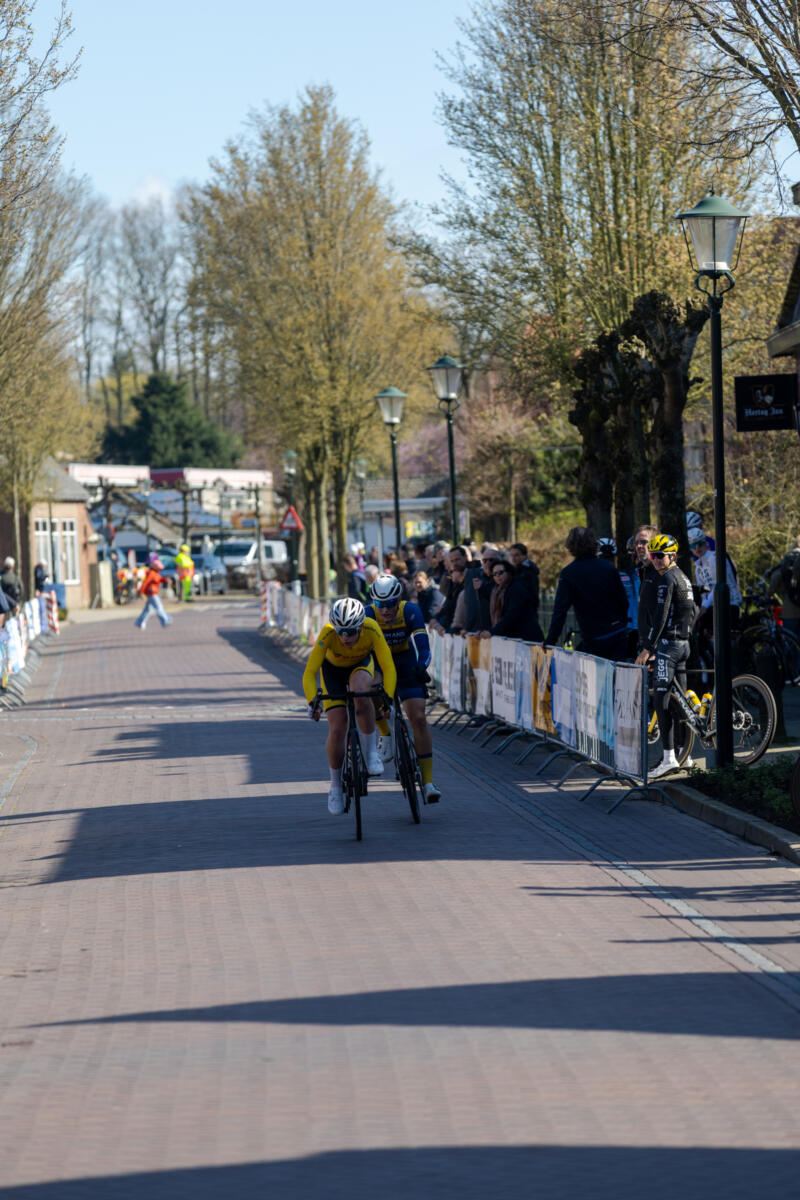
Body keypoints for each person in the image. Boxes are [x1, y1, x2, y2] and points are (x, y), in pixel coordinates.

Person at [302, 596, 397, 814]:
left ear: (361, 625)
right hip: (332, 672)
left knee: (362, 693)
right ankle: (335, 786)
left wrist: (388, 699)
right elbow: (310, 672)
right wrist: (311, 701)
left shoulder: (371, 628)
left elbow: (389, 667)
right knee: (337, 727)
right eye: (340, 631)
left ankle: (371, 753)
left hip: (360, 666)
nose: (345, 637)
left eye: (351, 632)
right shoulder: (327, 633)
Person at [365, 574, 441, 803]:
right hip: (378, 663)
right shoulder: (367, 614)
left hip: (405, 662)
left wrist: (422, 665)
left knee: (418, 717)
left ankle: (427, 782)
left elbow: (423, 646)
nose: (385, 610)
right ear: (373, 602)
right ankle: (385, 733)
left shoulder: (410, 611)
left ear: (398, 600)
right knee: (368, 690)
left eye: (390, 604)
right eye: (380, 604)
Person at [635, 533, 697, 779]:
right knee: (680, 701)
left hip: (668, 647)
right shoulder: (684, 577)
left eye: (660, 556)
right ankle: (686, 754)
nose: (656, 560)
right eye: (653, 556)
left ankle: (670, 757)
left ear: (672, 556)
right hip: (684, 644)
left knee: (662, 701)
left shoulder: (666, 579)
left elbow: (660, 616)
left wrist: (648, 647)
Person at [544, 527, 629, 660]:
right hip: (617, 634)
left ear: (570, 546)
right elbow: (623, 601)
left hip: (593, 638)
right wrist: (621, 623)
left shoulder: (569, 573)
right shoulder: (609, 568)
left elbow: (560, 611)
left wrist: (550, 640)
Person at [689, 528, 742, 631]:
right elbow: (705, 592)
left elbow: (717, 585)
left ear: (705, 543)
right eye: (693, 545)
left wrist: (704, 607)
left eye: (699, 544)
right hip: (715, 606)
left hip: (728, 604)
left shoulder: (714, 558)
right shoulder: (698, 567)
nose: (697, 548)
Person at [479, 559, 544, 642]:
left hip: (527, 639)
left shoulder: (516, 588)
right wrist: (484, 630)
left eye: (501, 572)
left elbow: (512, 615)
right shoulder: (496, 591)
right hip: (512, 639)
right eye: (494, 574)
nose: (498, 576)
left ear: (509, 572)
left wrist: (492, 631)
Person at [135, 553, 172, 630]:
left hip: (153, 593)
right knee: (159, 607)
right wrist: (141, 592)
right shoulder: (151, 573)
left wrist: (165, 580)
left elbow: (159, 579)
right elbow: (146, 583)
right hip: (151, 593)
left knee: (148, 610)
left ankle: (139, 622)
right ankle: (165, 620)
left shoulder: (155, 573)